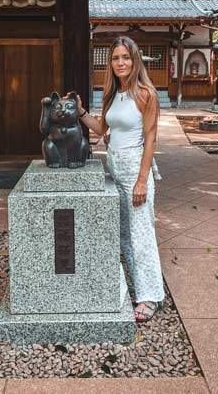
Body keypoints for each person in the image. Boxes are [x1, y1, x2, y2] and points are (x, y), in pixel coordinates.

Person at [74, 35, 165, 322]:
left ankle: (150, 297)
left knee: (141, 235)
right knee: (123, 233)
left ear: (135, 60)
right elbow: (101, 129)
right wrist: (81, 113)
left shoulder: (145, 93)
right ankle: (137, 285)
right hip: (114, 169)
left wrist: (141, 180)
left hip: (136, 169)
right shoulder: (112, 94)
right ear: (110, 63)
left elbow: (151, 139)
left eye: (125, 57)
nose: (120, 62)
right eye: (115, 58)